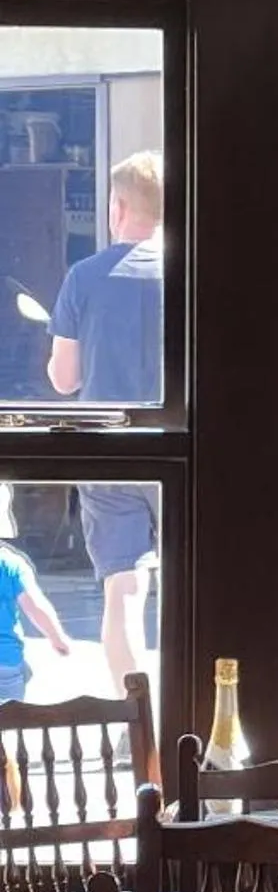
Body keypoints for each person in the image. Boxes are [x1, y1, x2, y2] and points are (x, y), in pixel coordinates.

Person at [47, 149, 163, 696]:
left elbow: (64, 381)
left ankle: (138, 724)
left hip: (111, 453)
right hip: (184, 445)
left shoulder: (84, 277)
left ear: (118, 207)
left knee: (124, 590)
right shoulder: (197, 275)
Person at [0, 532, 73, 705]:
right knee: (10, 721)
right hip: (6, 662)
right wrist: (57, 639)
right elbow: (35, 606)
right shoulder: (10, 563)